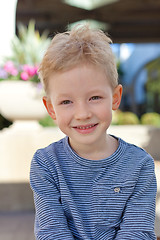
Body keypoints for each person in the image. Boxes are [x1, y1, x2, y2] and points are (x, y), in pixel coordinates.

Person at [30, 25, 157, 240]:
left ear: (115, 98)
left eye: (94, 98)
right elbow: (52, 232)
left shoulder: (139, 165)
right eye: (66, 101)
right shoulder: (45, 164)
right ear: (51, 108)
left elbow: (137, 232)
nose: (82, 114)